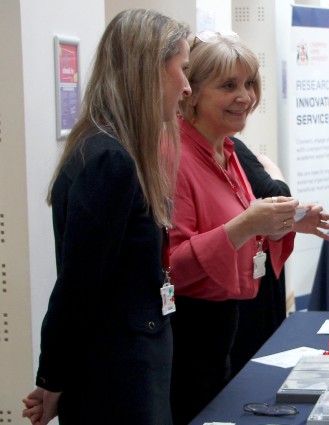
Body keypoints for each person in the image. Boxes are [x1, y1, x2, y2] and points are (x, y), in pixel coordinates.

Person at [22, 9, 191, 425]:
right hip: (116, 380)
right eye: (182, 70)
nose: (187, 87)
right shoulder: (110, 160)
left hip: (128, 366)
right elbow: (79, 287)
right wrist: (53, 379)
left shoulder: (118, 151)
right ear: (149, 70)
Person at [169, 32, 329, 424]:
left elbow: (239, 231)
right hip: (189, 336)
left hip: (223, 330)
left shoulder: (226, 149)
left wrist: (287, 223)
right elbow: (173, 265)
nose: (245, 96)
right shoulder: (173, 154)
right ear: (191, 93)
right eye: (228, 86)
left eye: (249, 84)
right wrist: (248, 222)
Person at [229, 138, 292, 377]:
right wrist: (272, 168)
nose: (245, 99)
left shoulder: (226, 148)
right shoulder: (230, 147)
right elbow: (280, 197)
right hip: (233, 292)